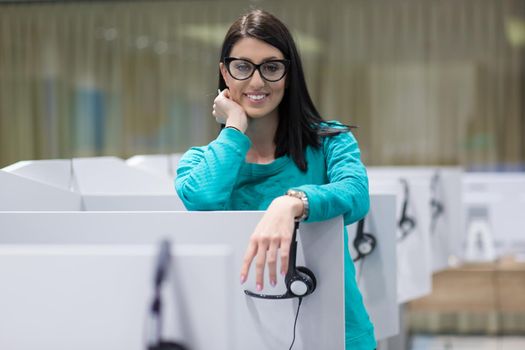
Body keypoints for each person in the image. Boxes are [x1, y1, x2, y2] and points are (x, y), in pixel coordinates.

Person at [175, 9, 376, 349]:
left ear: (288, 74)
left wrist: (292, 203)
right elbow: (204, 200)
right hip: (241, 336)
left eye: (271, 67)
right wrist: (235, 127)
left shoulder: (330, 141)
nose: (256, 82)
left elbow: (355, 195)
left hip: (337, 335)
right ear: (224, 72)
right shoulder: (200, 162)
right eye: (242, 67)